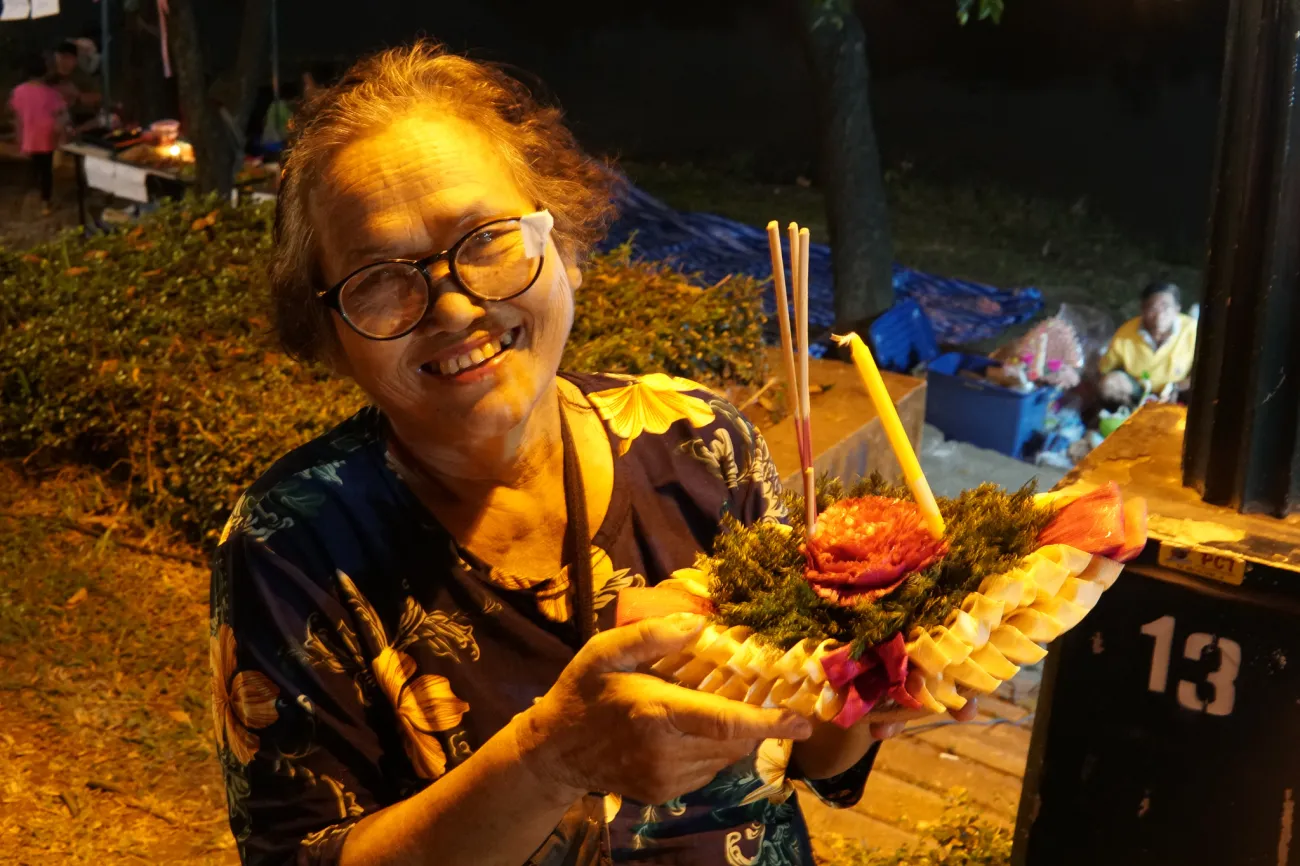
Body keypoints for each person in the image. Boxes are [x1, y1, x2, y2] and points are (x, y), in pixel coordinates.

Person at [212, 41, 977, 866]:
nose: (454, 304)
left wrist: (874, 695)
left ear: (566, 245)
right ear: (330, 333)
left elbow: (807, 756)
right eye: (379, 278)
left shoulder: (701, 444)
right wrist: (556, 757)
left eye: (486, 239)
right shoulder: (292, 543)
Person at [1099, 281, 1197, 407]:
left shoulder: (1192, 330)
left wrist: (1176, 387)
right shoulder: (1125, 334)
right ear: (1143, 309)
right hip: (1140, 390)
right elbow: (1105, 369)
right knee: (1109, 384)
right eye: (1153, 308)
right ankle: (1130, 412)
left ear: (1177, 309)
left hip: (1177, 391)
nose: (1159, 315)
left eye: (1166, 307)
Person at [9, 54, 69, 215]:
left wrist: (18, 136)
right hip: (47, 133)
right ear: (44, 72)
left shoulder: (18, 91)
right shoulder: (51, 92)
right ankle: (46, 202)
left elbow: (17, 116)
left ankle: (33, 193)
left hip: (30, 133)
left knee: (35, 164)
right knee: (46, 168)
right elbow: (62, 113)